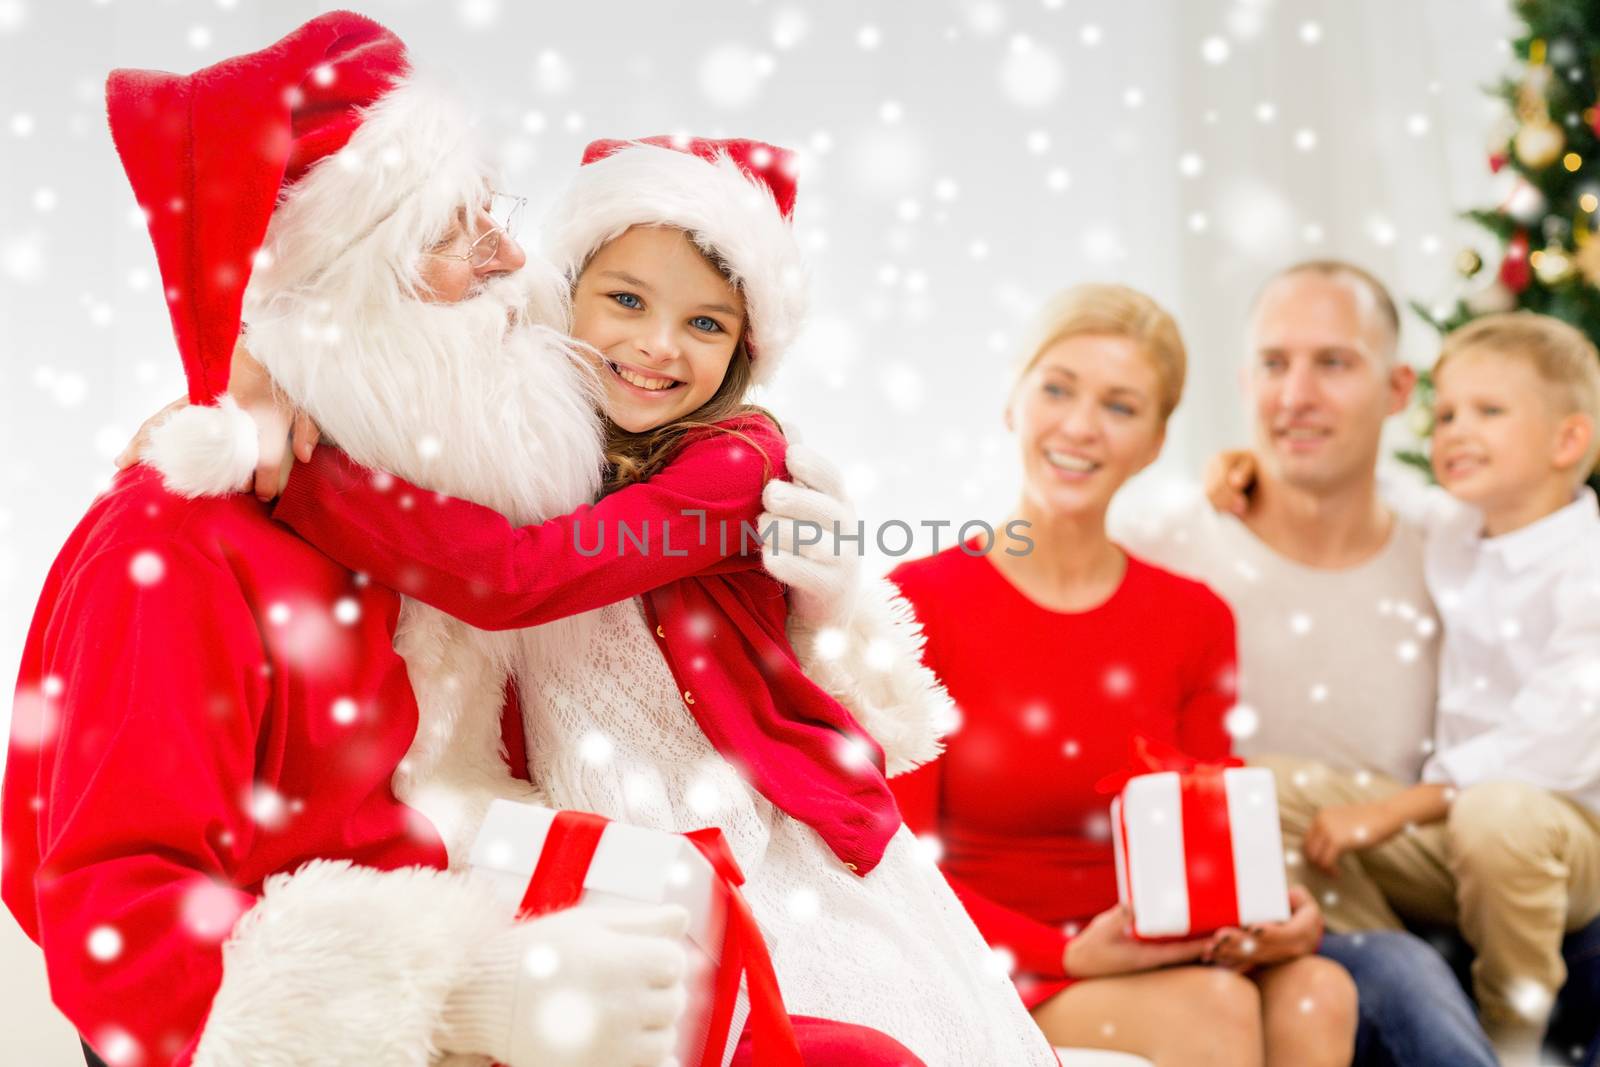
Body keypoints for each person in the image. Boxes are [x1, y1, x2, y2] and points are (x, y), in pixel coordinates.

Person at [6, 15, 870, 1066]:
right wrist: (462, 995)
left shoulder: (428, 508)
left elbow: (530, 630)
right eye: (460, 233)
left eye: (493, 216)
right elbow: (119, 929)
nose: (515, 257)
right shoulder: (180, 540)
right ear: (354, 289)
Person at [142, 135, 1056, 1065]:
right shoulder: (540, 434)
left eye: (707, 324)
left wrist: (300, 476)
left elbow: (516, 577)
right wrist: (272, 392)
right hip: (602, 828)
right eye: (626, 300)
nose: (658, 346)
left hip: (755, 834)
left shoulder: (734, 464)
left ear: (746, 349)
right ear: (564, 294)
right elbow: (415, 422)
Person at [886, 283, 1358, 1067]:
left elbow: (1213, 833)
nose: (1079, 426)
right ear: (1013, 401)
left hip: (1156, 947)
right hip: (1001, 960)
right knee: (1214, 1010)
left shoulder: (1195, 619)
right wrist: (1068, 953)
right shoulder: (919, 601)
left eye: (1120, 406)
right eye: (1058, 389)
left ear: (1154, 439)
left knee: (1321, 990)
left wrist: (1272, 913)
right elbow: (898, 861)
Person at [1116, 259, 1503, 1067]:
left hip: (1432, 878)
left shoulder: (1454, 547)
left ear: (1399, 389)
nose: (1296, 395)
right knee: (1400, 968)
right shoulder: (1165, 547)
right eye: (1274, 363)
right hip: (1287, 921)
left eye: (1333, 362)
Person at [1209, 309, 1600, 1064]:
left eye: (1488, 412)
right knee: (1265, 787)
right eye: (1446, 411)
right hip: (1454, 838)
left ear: (1567, 441)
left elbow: (1548, 742)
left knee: (1499, 814)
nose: (1454, 431)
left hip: (1561, 836)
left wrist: (1390, 810)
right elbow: (1354, 482)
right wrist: (1244, 465)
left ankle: (1514, 1037)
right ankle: (1410, 968)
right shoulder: (1455, 527)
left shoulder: (1588, 568)